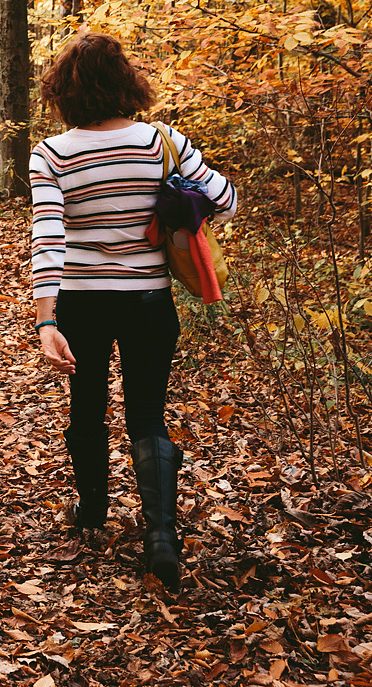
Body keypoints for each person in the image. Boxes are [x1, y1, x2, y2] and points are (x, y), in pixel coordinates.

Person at [28, 33, 236, 592]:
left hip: (82, 301)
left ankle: (92, 509)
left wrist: (47, 320)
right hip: (149, 300)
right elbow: (225, 198)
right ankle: (161, 538)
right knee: (147, 413)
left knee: (88, 403)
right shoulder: (162, 142)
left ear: (64, 90)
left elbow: (48, 238)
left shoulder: (49, 154)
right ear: (126, 82)